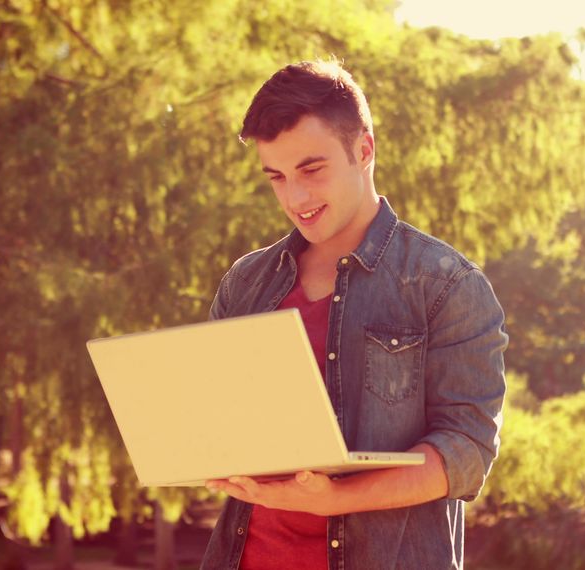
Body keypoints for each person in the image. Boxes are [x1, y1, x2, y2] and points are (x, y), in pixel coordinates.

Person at [201, 59, 508, 570]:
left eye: (311, 170)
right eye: (276, 177)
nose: (295, 198)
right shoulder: (246, 283)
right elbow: (219, 424)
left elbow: (467, 452)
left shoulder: (447, 284)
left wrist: (336, 499)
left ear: (364, 149)